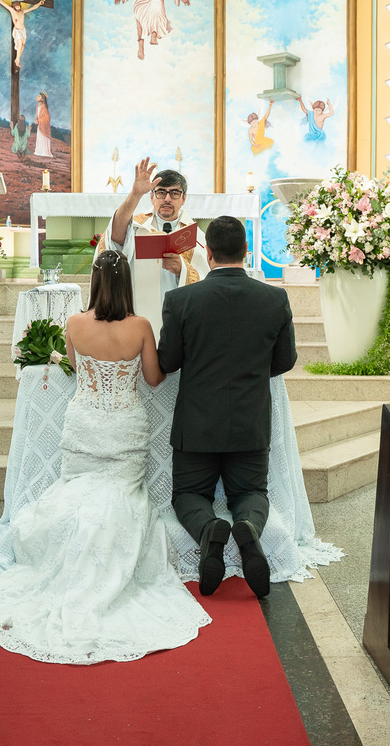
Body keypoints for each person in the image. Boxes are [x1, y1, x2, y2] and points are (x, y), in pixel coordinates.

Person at [0, 249, 211, 664]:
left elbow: (79, 370)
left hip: (85, 422)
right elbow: (153, 380)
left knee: (75, 488)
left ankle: (66, 554)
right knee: (121, 496)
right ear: (126, 284)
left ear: (94, 284)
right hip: (124, 426)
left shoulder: (75, 324)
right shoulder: (140, 326)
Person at [158, 216, 297, 598]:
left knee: (188, 494)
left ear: (208, 252)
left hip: (197, 426)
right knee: (251, 492)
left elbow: (168, 361)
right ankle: (248, 528)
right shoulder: (274, 298)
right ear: (245, 252)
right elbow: (284, 361)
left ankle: (207, 530)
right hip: (250, 423)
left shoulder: (180, 300)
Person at [97, 157, 210, 323]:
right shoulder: (137, 226)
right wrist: (135, 194)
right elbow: (114, 239)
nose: (167, 199)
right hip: (138, 314)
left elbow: (209, 280)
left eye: (174, 193)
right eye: (161, 192)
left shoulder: (196, 237)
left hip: (180, 320)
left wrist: (183, 269)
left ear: (183, 198)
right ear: (152, 197)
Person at [0, 0, 50, 71]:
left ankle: (17, 59)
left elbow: (33, 8)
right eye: (16, 5)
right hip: (17, 30)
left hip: (23, 30)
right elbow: (1, 2)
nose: (17, 7)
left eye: (18, 5)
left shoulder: (22, 12)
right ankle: (17, 60)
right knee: (20, 43)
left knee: (23, 44)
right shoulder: (12, 11)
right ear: (14, 6)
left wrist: (39, 3)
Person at [33, 91, 54, 158]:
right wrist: (36, 119)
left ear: (42, 99)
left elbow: (47, 117)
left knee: (43, 138)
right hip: (40, 125)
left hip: (43, 126)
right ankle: (39, 151)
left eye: (39, 96)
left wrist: (39, 121)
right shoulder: (38, 106)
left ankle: (44, 152)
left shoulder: (44, 107)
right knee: (39, 137)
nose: (37, 97)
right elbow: (37, 115)